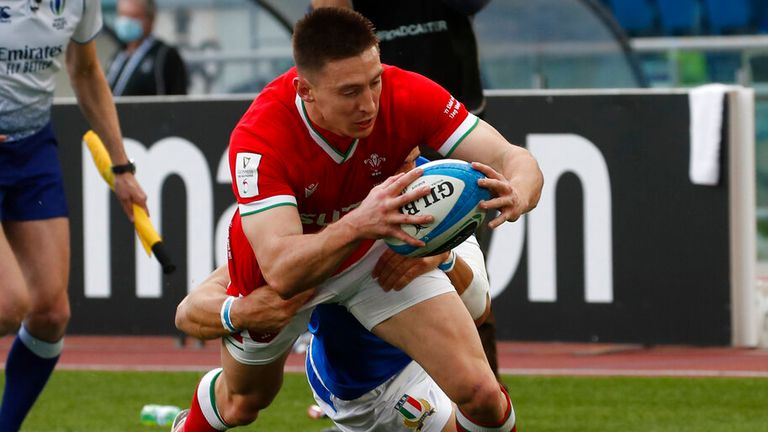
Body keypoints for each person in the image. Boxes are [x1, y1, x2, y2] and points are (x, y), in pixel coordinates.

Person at [174, 8, 541, 432]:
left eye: (374, 82)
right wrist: (357, 222)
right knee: (242, 403)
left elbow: (513, 156)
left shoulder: (406, 92)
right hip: (291, 269)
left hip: (376, 246)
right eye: (349, 92)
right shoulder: (259, 137)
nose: (368, 104)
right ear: (306, 90)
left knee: (481, 395)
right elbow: (282, 268)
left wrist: (520, 189)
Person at [174, 152, 494, 431]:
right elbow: (189, 312)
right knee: (241, 404)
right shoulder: (306, 210)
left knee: (486, 400)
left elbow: (479, 307)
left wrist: (445, 257)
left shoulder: (437, 185)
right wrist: (240, 312)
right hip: (375, 381)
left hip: (436, 354)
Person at [312, 0, 505, 383]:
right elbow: (329, 24)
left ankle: (486, 402)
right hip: (373, 133)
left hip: (449, 125)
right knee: (366, 281)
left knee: (457, 278)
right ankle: (369, 400)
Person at [0, 0, 148, 430]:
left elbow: (84, 71)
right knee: (8, 304)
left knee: (49, 314)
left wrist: (121, 167)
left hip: (31, 147)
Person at [106, 0, 188, 96]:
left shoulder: (164, 55)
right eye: (122, 15)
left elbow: (176, 99)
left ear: (150, 20)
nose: (126, 22)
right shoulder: (119, 55)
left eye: (133, 16)